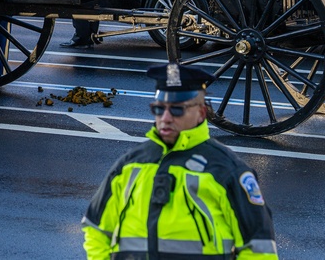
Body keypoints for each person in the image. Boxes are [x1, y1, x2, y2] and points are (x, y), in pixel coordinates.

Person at [82, 62, 278, 260]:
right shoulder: (130, 164)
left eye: (177, 110)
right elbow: (95, 231)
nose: (165, 118)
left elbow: (259, 249)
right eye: (159, 109)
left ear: (201, 112)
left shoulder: (227, 170)